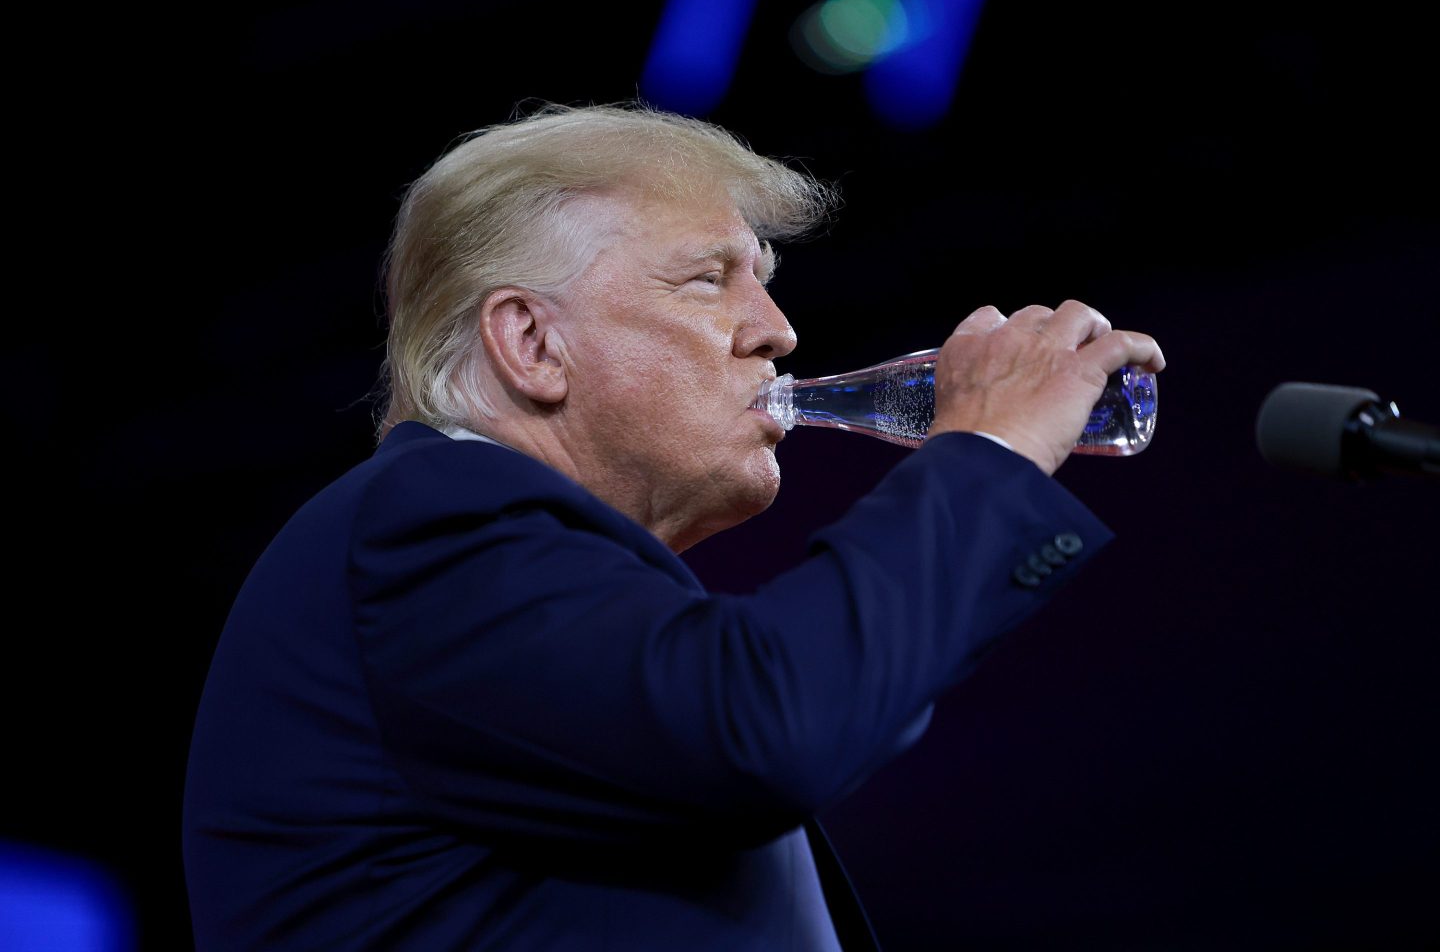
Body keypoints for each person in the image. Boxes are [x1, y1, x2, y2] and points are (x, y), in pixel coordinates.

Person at [183, 104, 1164, 951]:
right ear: (532, 344)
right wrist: (985, 454)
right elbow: (774, 726)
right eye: (709, 279)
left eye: (765, 277)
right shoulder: (428, 518)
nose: (777, 328)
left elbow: (815, 706)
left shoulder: (506, 573)